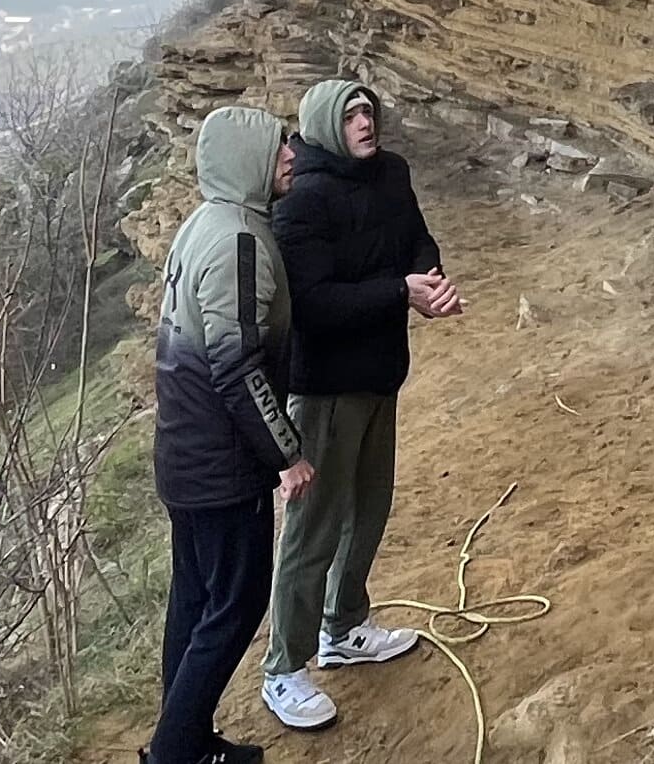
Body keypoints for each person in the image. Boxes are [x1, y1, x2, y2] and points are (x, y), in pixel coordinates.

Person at [260, 78, 458, 732]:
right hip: (325, 391)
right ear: (324, 126)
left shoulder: (391, 174)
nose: (365, 123)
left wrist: (427, 281)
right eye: (350, 116)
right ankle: (283, 669)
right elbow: (311, 307)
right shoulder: (303, 204)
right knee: (315, 529)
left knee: (369, 509)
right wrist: (398, 292)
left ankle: (342, 629)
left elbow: (417, 241)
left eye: (368, 110)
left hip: (380, 376)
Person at [149, 107, 311, 764]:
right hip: (220, 464)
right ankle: (173, 753)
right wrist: (288, 456)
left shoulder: (205, 222)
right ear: (247, 161)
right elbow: (236, 363)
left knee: (194, 599)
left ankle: (186, 741)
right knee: (235, 606)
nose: (291, 155)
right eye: (277, 149)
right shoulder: (239, 241)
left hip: (183, 453)